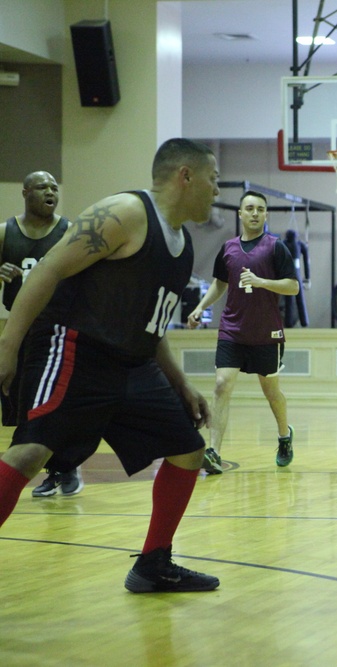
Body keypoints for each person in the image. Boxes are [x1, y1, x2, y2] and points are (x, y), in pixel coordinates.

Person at [0, 138, 221, 592]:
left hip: (133, 364)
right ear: (186, 175)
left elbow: (150, 327)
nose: (217, 191)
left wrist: (181, 384)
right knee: (30, 452)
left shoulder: (181, 244)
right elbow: (47, 271)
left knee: (188, 449)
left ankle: (153, 564)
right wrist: (8, 345)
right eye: (213, 179)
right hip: (75, 348)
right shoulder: (125, 213)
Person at [186, 190, 299, 473]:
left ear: (266, 214)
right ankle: (213, 451)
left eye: (260, 209)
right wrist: (200, 307)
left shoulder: (276, 247)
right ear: (240, 213)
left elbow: (293, 286)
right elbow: (219, 284)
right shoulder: (228, 249)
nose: (254, 213)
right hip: (232, 330)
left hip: (266, 334)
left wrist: (262, 282)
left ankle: (285, 437)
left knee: (271, 392)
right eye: (249, 208)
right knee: (222, 385)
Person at [0, 171, 84, 497]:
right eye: (42, 187)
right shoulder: (6, 234)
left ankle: (64, 466)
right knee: (22, 406)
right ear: (25, 193)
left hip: (59, 331)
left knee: (50, 403)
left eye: (54, 187)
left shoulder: (69, 232)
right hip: (20, 330)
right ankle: (50, 467)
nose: (50, 192)